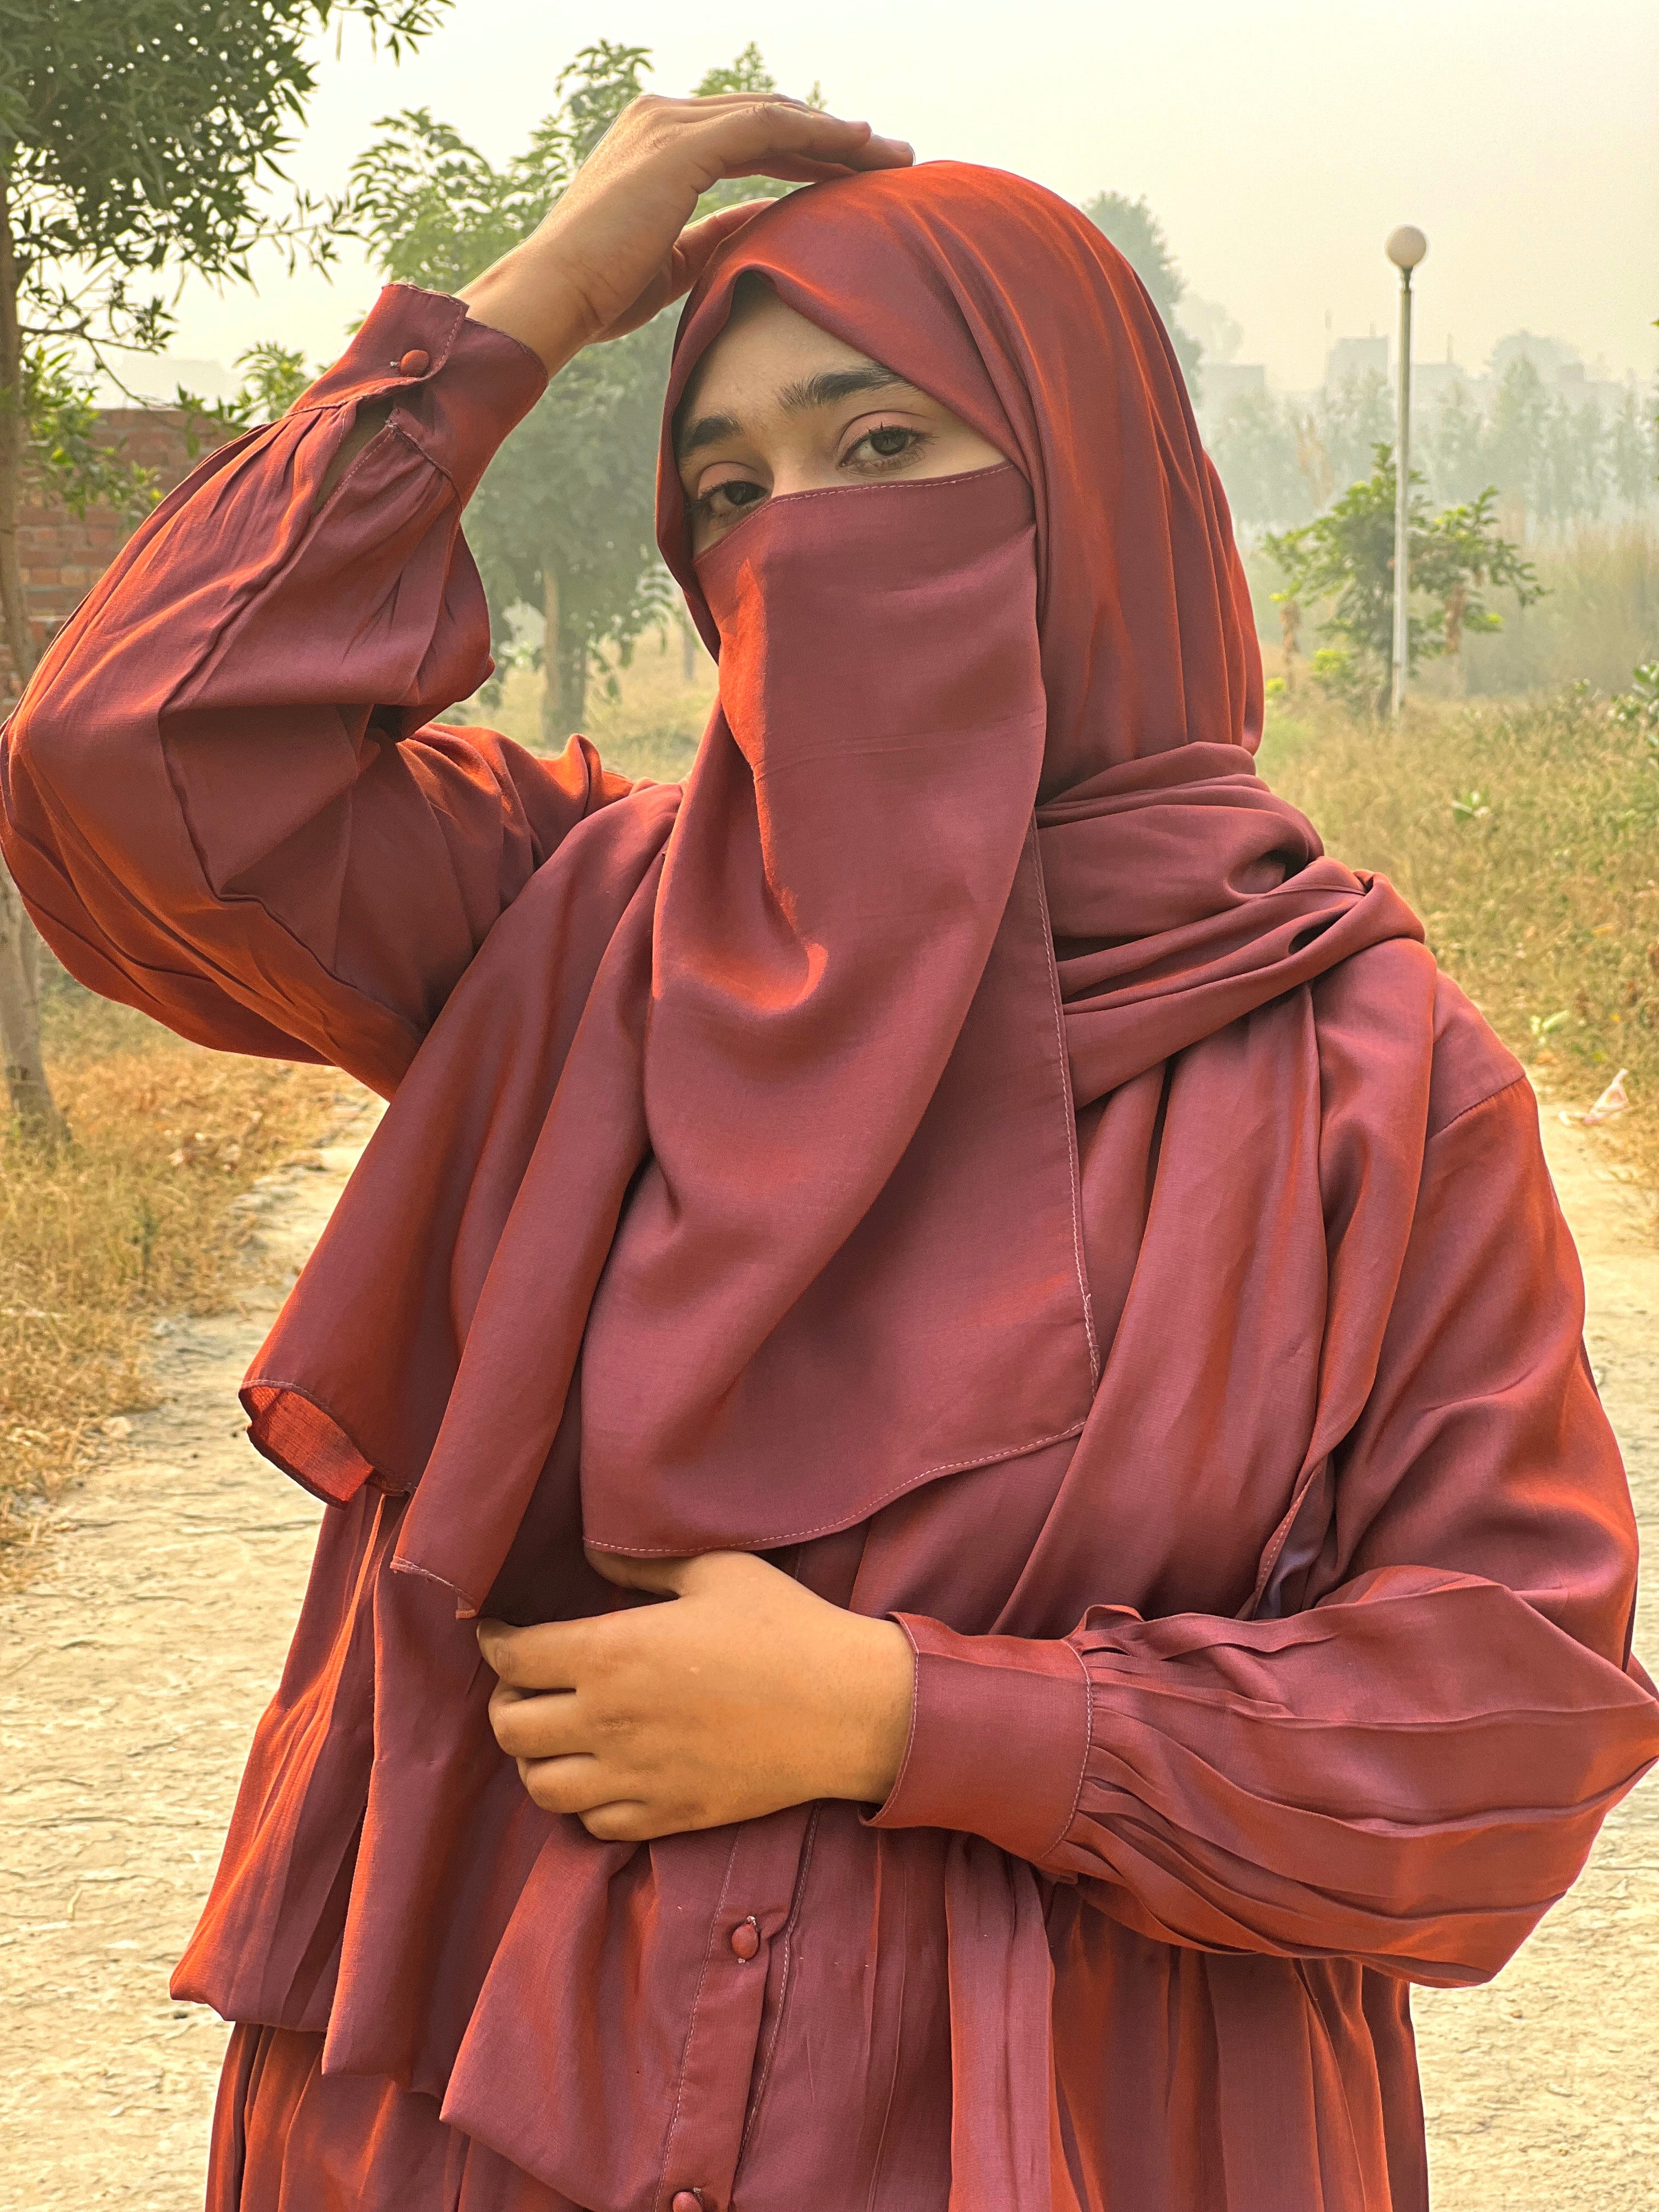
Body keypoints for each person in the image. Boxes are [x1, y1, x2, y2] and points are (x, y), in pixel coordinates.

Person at [2, 91, 1655, 2212]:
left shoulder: (1369, 1074)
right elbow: (124, 758)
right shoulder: (568, 923)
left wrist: (906, 1719)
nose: (803, 532)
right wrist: (540, 297)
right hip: (482, 2124)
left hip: (1096, 2140)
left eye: (886, 450)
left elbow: (1504, 1727)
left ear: (1090, 486)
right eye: (731, 484)